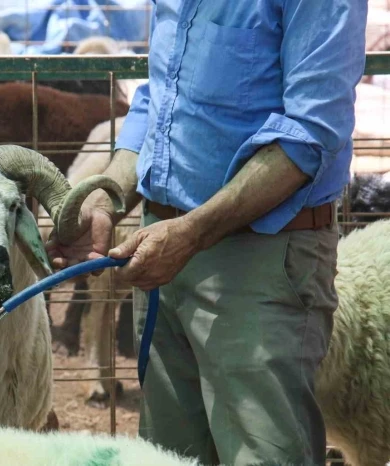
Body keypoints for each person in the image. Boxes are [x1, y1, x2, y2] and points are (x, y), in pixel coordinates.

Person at [46, 2, 369, 465]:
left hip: (258, 261)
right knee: (170, 455)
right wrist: (106, 199)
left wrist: (191, 233)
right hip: (163, 255)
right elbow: (158, 100)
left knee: (263, 453)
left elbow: (310, 131)